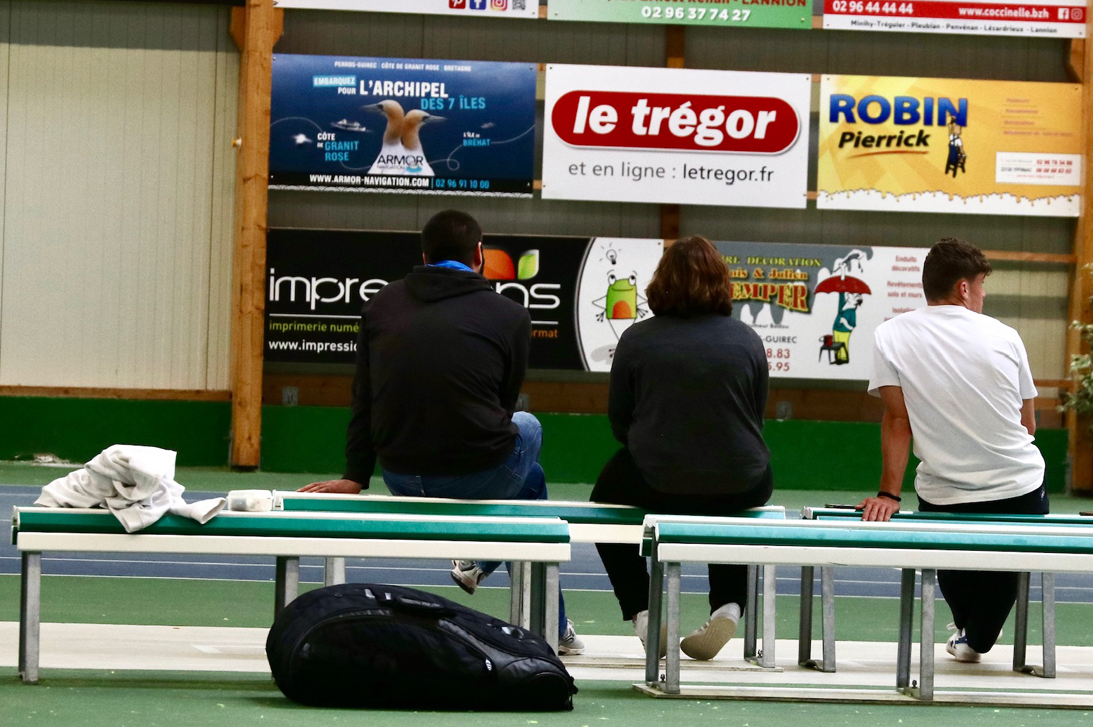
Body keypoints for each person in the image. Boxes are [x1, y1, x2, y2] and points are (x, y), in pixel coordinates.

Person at [298, 208, 581, 654]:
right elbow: (504, 408)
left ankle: (556, 625)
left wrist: (355, 476)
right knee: (528, 426)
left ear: (425, 255)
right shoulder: (511, 315)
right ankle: (486, 567)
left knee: (533, 483)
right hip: (472, 477)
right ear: (480, 254)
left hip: (399, 476)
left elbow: (364, 396)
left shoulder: (380, 303)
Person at [859, 238, 1045, 663]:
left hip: (943, 496)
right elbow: (1028, 425)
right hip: (1019, 490)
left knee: (965, 602)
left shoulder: (889, 335)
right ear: (963, 288)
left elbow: (897, 420)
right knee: (986, 618)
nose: (983, 295)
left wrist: (888, 494)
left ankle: (972, 634)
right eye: (981, 285)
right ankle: (976, 636)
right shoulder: (1006, 336)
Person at [592, 236, 772, 661]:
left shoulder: (636, 339)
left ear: (662, 281)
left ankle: (643, 612)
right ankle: (728, 606)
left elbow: (619, 421)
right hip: (744, 481)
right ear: (721, 281)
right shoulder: (747, 339)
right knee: (731, 508)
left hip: (658, 481)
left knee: (603, 506)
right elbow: (755, 416)